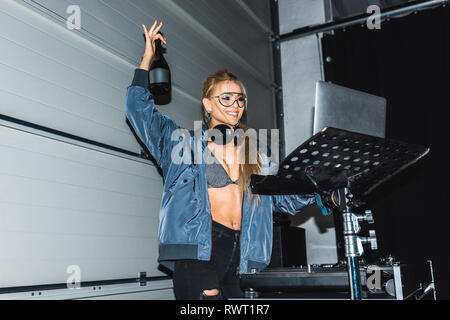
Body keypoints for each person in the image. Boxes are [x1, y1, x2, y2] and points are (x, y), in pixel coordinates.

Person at [125, 21, 319, 300]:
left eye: (240, 100)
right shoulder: (182, 143)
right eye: (226, 98)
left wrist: (318, 184)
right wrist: (148, 57)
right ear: (207, 104)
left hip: (244, 252)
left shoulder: (257, 152)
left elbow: (283, 198)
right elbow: (137, 110)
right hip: (200, 249)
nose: (236, 106)